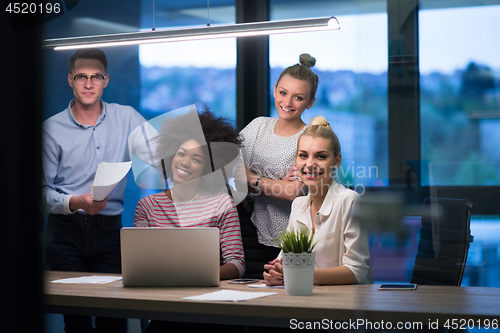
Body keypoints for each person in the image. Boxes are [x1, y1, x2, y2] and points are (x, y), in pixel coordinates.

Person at [42, 48, 146, 333]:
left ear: (106, 80)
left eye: (96, 77)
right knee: (76, 320)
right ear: (70, 80)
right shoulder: (50, 129)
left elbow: (160, 154)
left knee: (114, 317)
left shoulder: (128, 118)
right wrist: (74, 201)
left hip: (110, 232)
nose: (89, 84)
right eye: (81, 77)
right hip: (65, 233)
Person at [134, 107, 245, 333]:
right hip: (166, 307)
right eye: (181, 153)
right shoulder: (147, 207)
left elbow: (237, 265)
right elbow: (138, 265)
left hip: (211, 308)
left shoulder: (222, 203)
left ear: (208, 167)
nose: (184, 162)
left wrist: (194, 275)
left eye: (196, 158)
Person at [263, 116, 373, 286]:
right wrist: (275, 274)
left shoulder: (350, 201)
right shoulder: (298, 205)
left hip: (349, 305)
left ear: (336, 161)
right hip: (308, 301)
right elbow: (284, 262)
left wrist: (299, 275)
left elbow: (356, 270)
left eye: (320, 157)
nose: (310, 164)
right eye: (303, 155)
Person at [240, 53, 318, 259]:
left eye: (298, 97)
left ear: (310, 102)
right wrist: (275, 186)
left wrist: (252, 179)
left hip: (297, 238)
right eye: (283, 92)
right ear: (274, 90)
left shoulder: (311, 137)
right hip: (254, 232)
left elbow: (294, 192)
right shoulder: (258, 126)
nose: (288, 102)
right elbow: (228, 175)